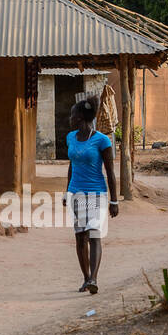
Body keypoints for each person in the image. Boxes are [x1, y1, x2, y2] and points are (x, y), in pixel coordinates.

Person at [64, 96, 119, 294]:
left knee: (94, 235)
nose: (69, 118)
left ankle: (94, 278)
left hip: (97, 194)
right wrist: (67, 191)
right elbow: (72, 166)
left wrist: (114, 200)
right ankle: (86, 278)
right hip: (76, 194)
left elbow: (110, 172)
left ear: (80, 117)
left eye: (72, 114)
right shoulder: (70, 137)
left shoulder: (102, 140)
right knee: (80, 237)